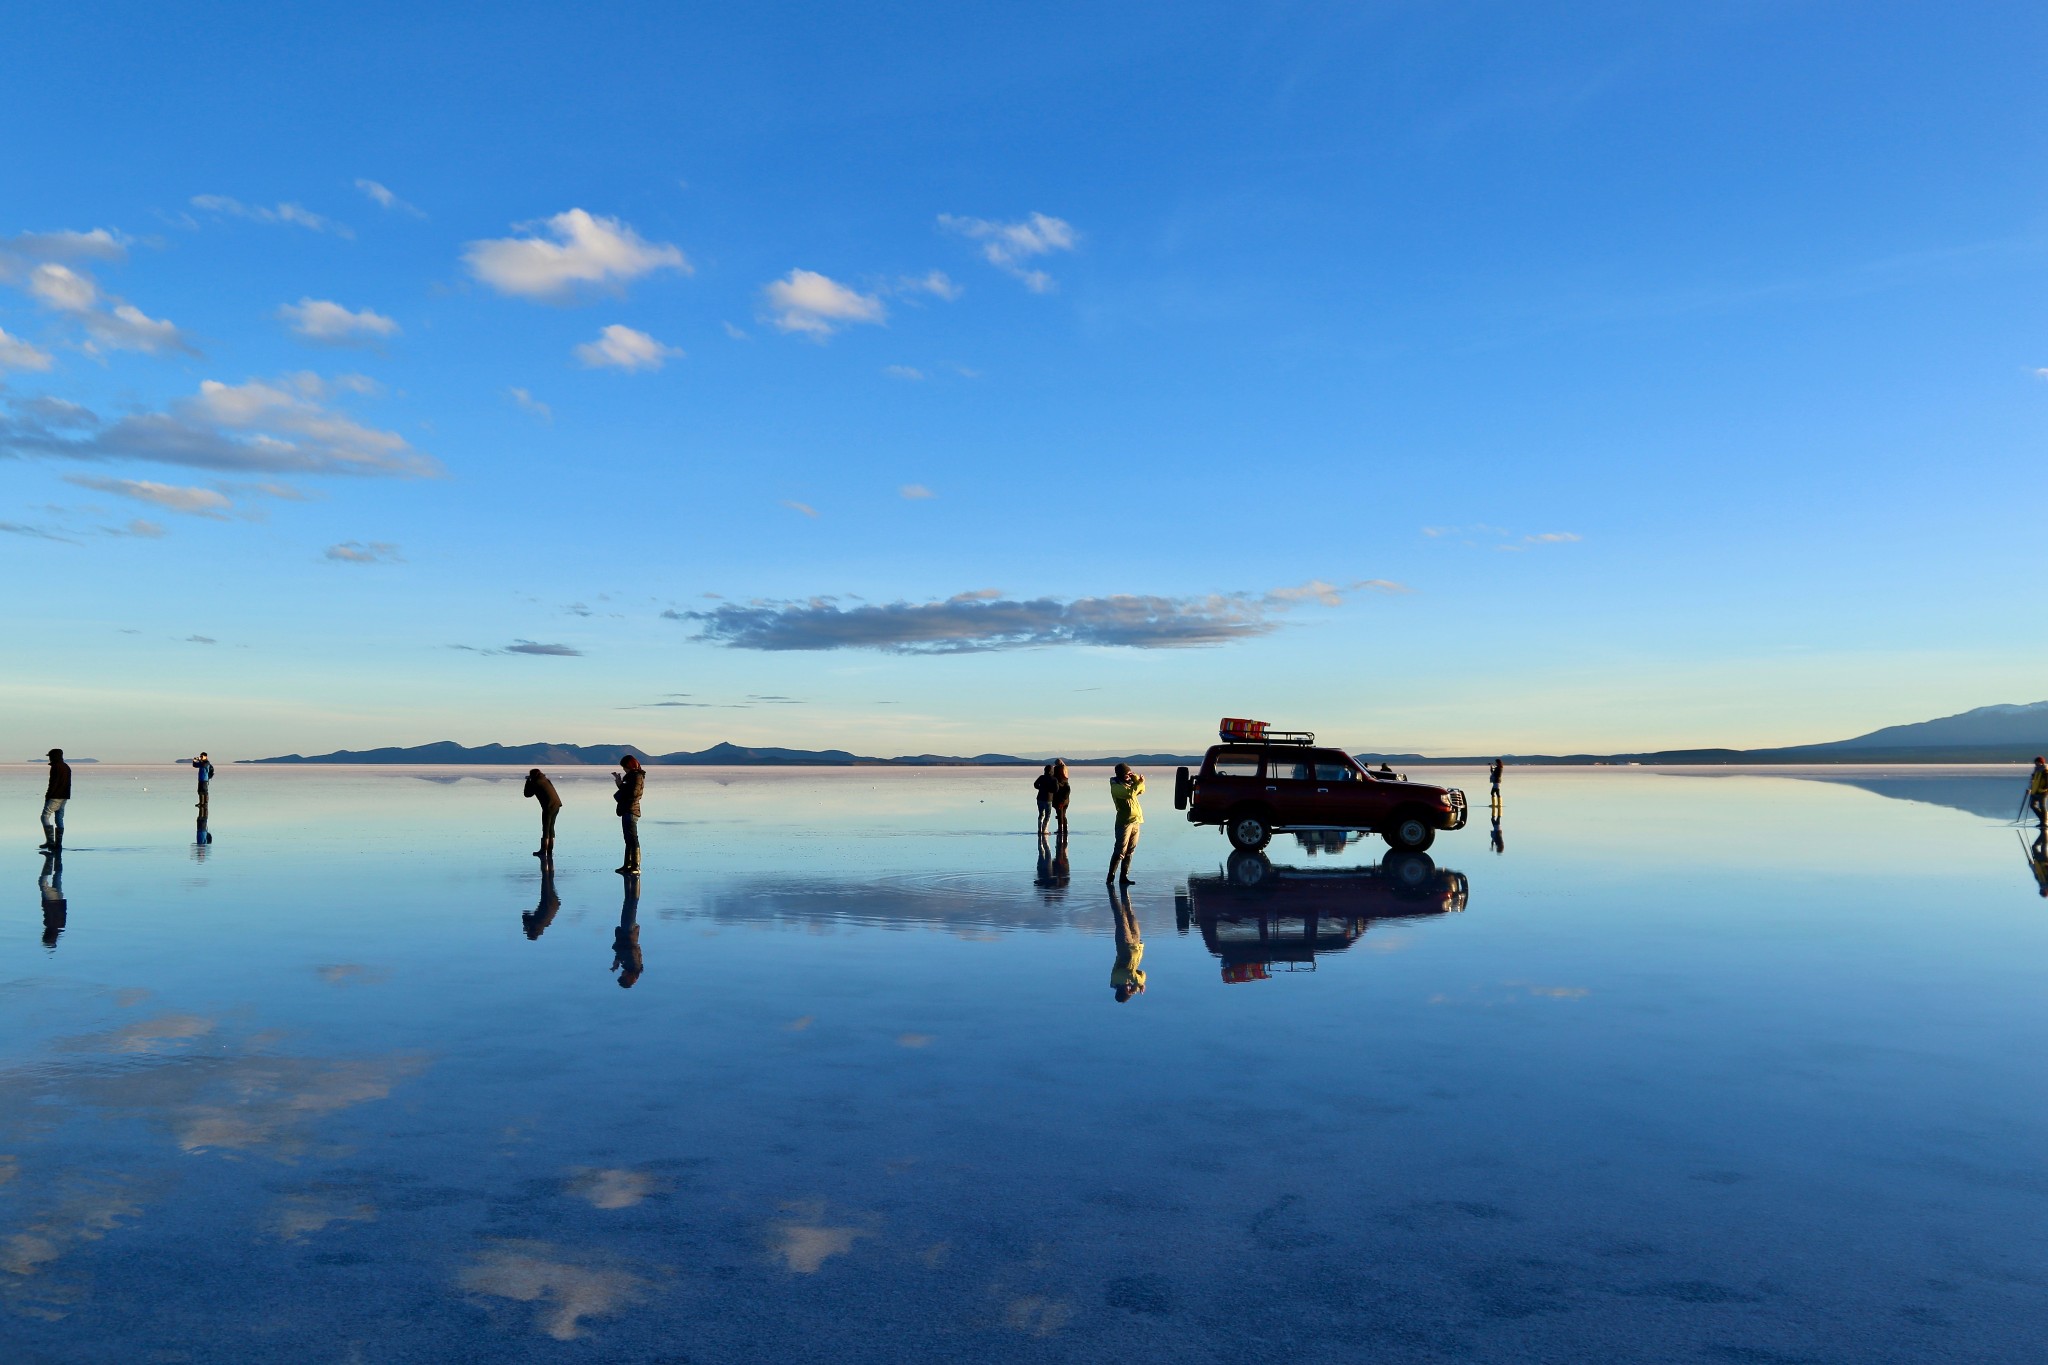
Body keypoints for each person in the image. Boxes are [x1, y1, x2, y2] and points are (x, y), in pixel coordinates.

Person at [1107, 763, 1145, 885]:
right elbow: (1130, 793)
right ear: (1121, 775)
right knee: (1120, 851)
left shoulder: (1129, 785)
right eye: (1127, 774)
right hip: (1124, 823)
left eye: (1130, 773)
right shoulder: (1116, 787)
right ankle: (1110, 877)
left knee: (1130, 850)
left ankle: (1124, 877)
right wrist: (1138, 783)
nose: (1129, 775)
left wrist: (1135, 779)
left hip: (1136, 821)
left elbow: (1142, 790)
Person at [1109, 884, 1145, 1002]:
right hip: (1136, 943)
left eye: (1128, 990)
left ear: (1125, 991)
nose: (1129, 987)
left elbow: (1131, 974)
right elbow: (1142, 974)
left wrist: (1137, 986)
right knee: (1130, 914)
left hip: (1124, 943)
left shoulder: (1116, 979)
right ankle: (1124, 887)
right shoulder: (1128, 981)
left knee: (1120, 917)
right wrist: (1137, 984)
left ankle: (1111, 889)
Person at [613, 755, 645, 874]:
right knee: (628, 839)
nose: (624, 770)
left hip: (631, 810)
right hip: (627, 810)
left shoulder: (636, 777)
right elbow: (628, 791)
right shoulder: (632, 777)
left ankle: (636, 866)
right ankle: (627, 865)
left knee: (632, 838)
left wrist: (621, 786)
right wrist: (620, 784)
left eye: (625, 767)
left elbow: (634, 793)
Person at [611, 872, 643, 987]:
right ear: (627, 977)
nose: (622, 973)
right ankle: (635, 877)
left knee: (628, 903)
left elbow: (624, 951)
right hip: (628, 932)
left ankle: (630, 877)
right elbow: (630, 949)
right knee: (631, 903)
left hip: (627, 932)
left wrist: (617, 960)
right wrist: (619, 958)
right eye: (622, 975)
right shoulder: (634, 966)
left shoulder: (631, 966)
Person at [523, 768, 562, 861]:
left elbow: (527, 794)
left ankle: (543, 850)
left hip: (548, 806)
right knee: (551, 827)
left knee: (546, 827)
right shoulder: (546, 780)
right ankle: (549, 850)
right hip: (556, 804)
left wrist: (527, 782)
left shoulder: (536, 783)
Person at [39, 748, 70, 852]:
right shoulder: (66, 767)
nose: (49, 759)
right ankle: (58, 844)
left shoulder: (56, 767)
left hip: (55, 796)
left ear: (53, 757)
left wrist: (48, 795)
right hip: (64, 796)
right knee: (59, 819)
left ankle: (50, 842)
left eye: (50, 756)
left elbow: (53, 783)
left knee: (44, 817)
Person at [524, 863, 561, 940]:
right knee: (546, 878)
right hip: (549, 903)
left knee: (549, 878)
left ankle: (547, 856)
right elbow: (525, 915)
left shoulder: (544, 925)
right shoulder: (537, 925)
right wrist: (526, 926)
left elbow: (525, 915)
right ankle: (545, 857)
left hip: (555, 904)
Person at [39, 851, 66, 950]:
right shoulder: (50, 925)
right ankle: (49, 858)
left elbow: (64, 912)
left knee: (58, 876)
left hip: (60, 900)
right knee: (42, 882)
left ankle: (58, 856)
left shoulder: (61, 926)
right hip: (51, 901)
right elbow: (49, 911)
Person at [1051, 759, 1072, 837]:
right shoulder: (1065, 770)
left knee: (1060, 814)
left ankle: (1061, 830)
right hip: (1066, 798)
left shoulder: (1058, 773)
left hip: (1060, 798)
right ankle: (1065, 829)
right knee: (1063, 814)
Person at [1032, 764, 1055, 835]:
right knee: (1047, 815)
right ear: (1052, 771)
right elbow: (1056, 789)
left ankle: (1039, 829)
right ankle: (1044, 830)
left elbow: (1035, 784)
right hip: (1048, 799)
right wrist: (1049, 790)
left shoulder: (1041, 777)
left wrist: (1041, 788)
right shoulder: (1053, 779)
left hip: (1040, 798)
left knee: (1041, 814)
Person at [2027, 756, 2047, 826]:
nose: (2036, 764)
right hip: (2035, 791)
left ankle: (2044, 821)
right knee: (2032, 805)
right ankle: (2043, 819)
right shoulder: (2036, 771)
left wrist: (2044, 788)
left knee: (2042, 806)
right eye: (2035, 763)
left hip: (2042, 792)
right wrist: (2029, 789)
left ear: (2041, 763)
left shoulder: (2045, 771)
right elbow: (2032, 781)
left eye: (2037, 762)